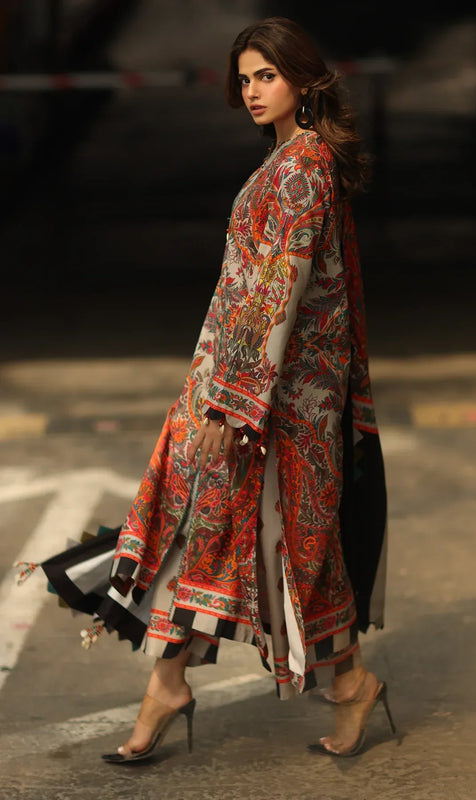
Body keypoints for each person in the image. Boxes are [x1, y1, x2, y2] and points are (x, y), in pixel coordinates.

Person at [19, 16, 393, 760]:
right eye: (246, 78)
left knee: (276, 546)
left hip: (271, 404)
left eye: (267, 76)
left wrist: (235, 399)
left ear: (303, 80)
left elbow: (276, 290)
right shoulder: (291, 158)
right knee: (212, 533)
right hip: (239, 389)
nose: (253, 91)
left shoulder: (302, 168)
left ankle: (338, 685)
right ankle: (178, 686)